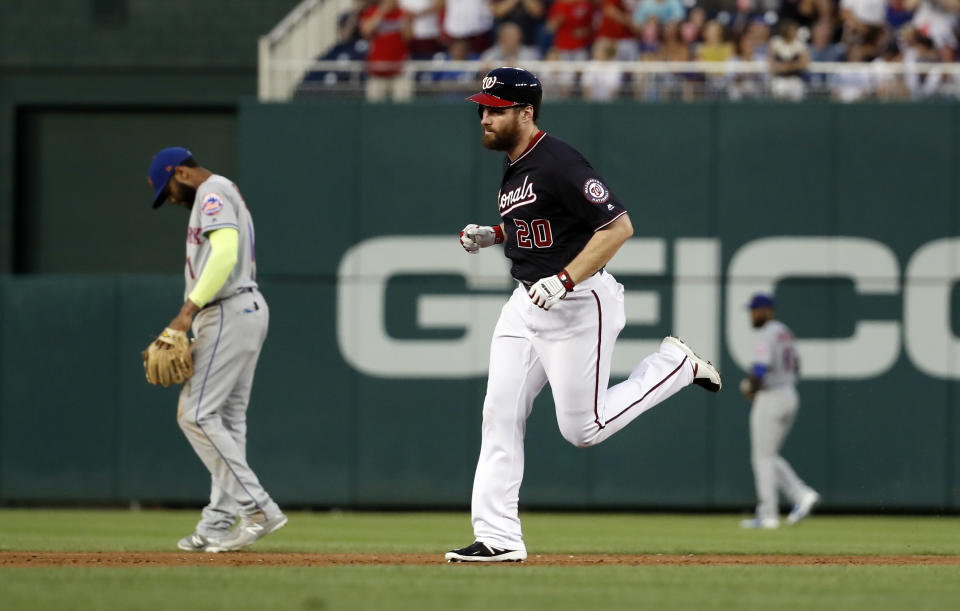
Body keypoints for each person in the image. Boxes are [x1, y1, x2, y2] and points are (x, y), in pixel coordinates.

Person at [445, 68, 722, 562]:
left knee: (583, 430)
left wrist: (567, 279)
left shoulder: (559, 160)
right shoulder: (515, 161)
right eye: (482, 108)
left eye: (496, 109)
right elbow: (547, 222)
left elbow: (617, 227)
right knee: (499, 413)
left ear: (526, 112)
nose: (484, 117)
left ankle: (675, 366)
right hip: (525, 303)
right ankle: (499, 537)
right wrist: (497, 233)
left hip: (578, 302)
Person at [146, 147, 286, 552]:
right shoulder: (220, 190)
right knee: (225, 420)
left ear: (182, 174)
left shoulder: (211, 192)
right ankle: (217, 523)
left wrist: (186, 312)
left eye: (167, 189)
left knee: (195, 414)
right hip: (240, 309)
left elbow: (224, 252)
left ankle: (257, 508)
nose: (170, 198)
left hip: (226, 309)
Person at [739, 294, 819, 529]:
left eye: (754, 310)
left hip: (772, 396)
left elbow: (760, 370)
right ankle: (800, 496)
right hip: (790, 394)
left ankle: (770, 513)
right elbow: (798, 365)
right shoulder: (785, 332)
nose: (751, 315)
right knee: (769, 455)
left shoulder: (766, 334)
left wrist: (749, 387)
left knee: (762, 457)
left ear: (766, 310)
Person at [360, 0, 413, 102]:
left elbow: (409, 38)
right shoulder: (373, 12)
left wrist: (405, 20)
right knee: (374, 109)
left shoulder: (403, 13)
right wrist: (382, 12)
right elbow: (365, 31)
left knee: (401, 108)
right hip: (377, 71)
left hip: (399, 71)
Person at [768, 20, 810, 100]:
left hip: (795, 79)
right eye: (791, 30)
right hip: (780, 80)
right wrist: (785, 66)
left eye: (795, 30)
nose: (794, 32)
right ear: (785, 31)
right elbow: (771, 64)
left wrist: (788, 66)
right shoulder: (776, 43)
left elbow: (804, 63)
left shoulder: (799, 44)